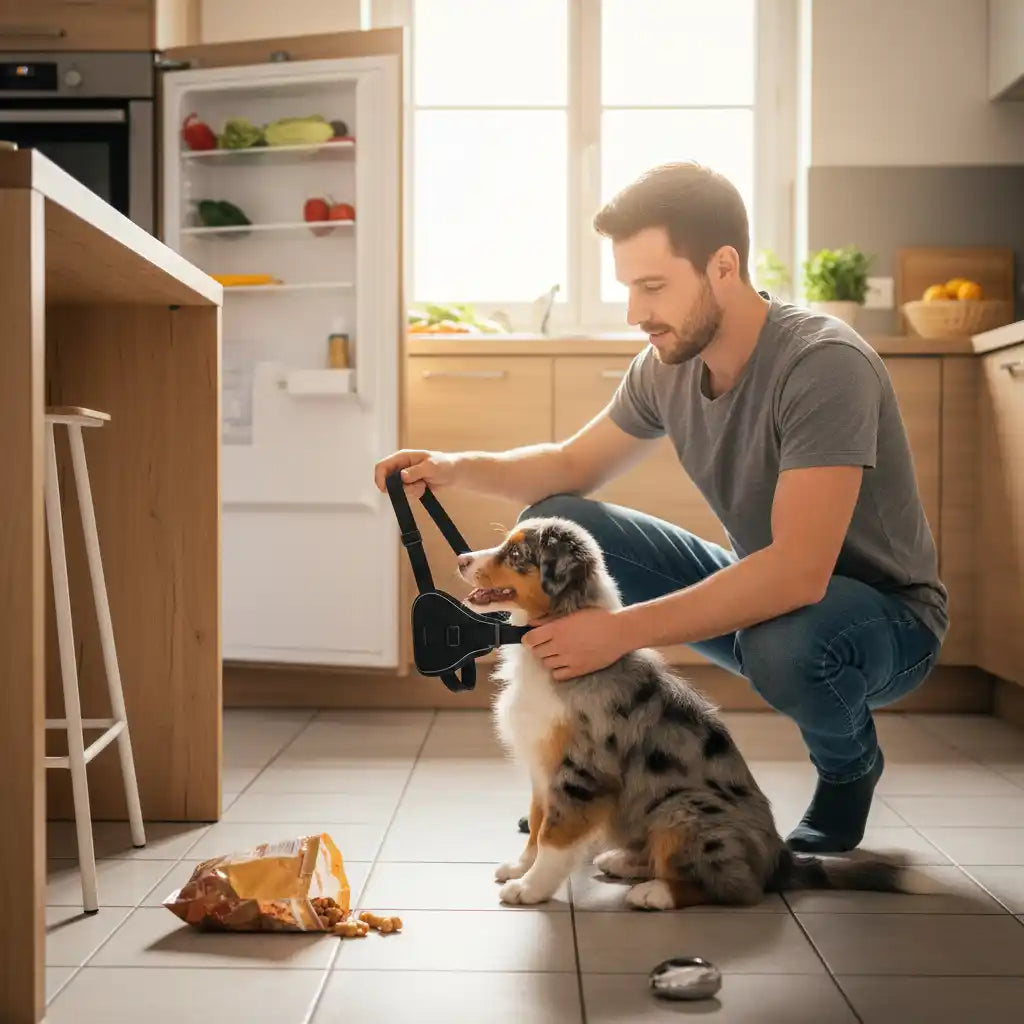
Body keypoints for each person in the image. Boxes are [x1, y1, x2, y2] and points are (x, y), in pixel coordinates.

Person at [374, 161, 946, 854]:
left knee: (784, 640)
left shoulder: (821, 364)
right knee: (567, 517)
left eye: (653, 287)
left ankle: (849, 768)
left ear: (723, 266)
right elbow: (570, 465)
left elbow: (798, 573)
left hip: (882, 623)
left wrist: (615, 633)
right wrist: (454, 467)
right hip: (763, 594)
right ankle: (584, 774)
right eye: (628, 288)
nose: (636, 314)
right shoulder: (667, 364)